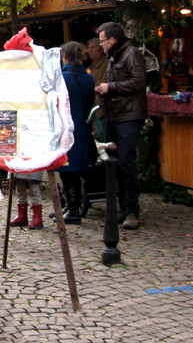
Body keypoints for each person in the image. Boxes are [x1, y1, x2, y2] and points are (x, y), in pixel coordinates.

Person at [95, 21, 147, 230]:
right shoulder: (114, 57)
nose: (101, 45)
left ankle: (132, 210)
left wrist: (111, 87)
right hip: (114, 116)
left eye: (103, 41)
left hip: (129, 116)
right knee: (113, 163)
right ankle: (122, 207)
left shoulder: (131, 54)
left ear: (113, 40)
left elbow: (139, 81)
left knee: (126, 162)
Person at [57, 41, 96, 225]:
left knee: (67, 169)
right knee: (75, 167)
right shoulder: (89, 78)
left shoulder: (63, 78)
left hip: (66, 127)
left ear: (64, 56)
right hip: (82, 126)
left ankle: (73, 208)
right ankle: (71, 205)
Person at [86, 37, 108, 105]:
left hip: (100, 104)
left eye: (93, 47)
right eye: (89, 48)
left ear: (101, 49)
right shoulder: (90, 67)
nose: (90, 50)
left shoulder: (106, 63)